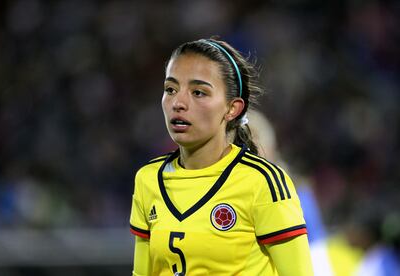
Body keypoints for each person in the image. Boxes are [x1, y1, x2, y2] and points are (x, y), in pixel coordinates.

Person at [129, 38, 313, 275]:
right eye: (170, 89)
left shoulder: (262, 183)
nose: (178, 103)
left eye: (198, 92)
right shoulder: (148, 179)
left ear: (232, 108)